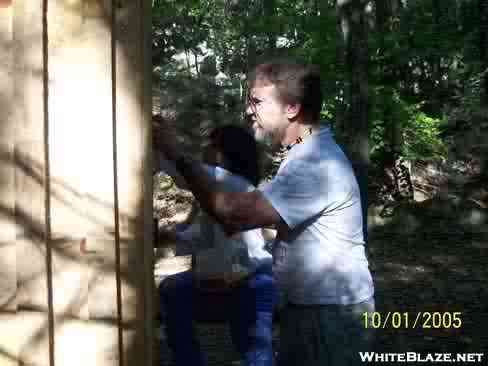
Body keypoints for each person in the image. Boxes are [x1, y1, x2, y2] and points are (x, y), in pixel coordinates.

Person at [154, 59, 375, 366]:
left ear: (292, 109)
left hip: (329, 313)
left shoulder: (314, 163)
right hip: (312, 308)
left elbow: (234, 216)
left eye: (257, 101)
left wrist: (175, 153)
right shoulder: (302, 153)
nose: (249, 110)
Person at [156, 125, 275, 366]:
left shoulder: (228, 180)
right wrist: (170, 236)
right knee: (173, 288)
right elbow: (205, 237)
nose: (204, 149)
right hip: (234, 279)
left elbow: (181, 172)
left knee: (254, 351)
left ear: (225, 154)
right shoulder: (221, 189)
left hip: (252, 282)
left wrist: (160, 142)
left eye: (210, 145)